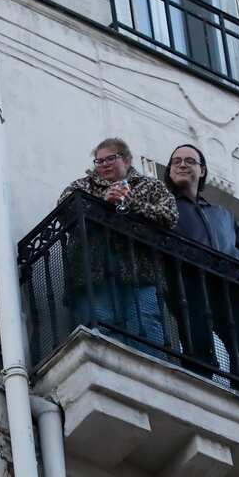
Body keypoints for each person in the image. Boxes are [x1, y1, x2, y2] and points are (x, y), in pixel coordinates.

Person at [164, 143, 239, 395]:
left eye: (189, 161)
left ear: (202, 171)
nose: (181, 164)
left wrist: (231, 259)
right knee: (198, 343)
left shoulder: (222, 214)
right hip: (189, 283)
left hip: (231, 286)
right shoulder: (166, 206)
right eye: (176, 161)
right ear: (169, 171)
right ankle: (200, 393)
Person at [58, 138, 177, 351]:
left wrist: (131, 203)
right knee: (100, 324)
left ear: (127, 159)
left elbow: (170, 217)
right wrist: (102, 202)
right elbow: (65, 213)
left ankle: (147, 373)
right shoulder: (81, 186)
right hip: (92, 270)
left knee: (145, 323)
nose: (104, 164)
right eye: (99, 161)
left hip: (141, 269)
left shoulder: (150, 186)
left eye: (110, 159)